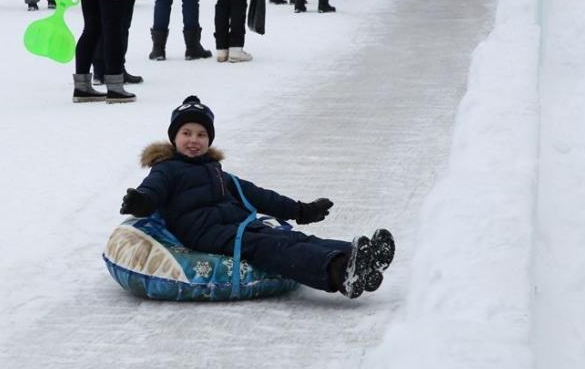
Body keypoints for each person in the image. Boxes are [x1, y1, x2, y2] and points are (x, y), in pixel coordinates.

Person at [119, 95, 396, 299]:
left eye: (202, 134)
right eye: (186, 133)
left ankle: (360, 254)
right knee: (272, 248)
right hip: (206, 233)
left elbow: (257, 195)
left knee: (293, 238)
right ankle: (339, 271)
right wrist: (140, 201)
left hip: (236, 225)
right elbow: (152, 191)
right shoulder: (167, 169)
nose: (194, 140)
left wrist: (301, 210)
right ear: (174, 138)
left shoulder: (216, 171)